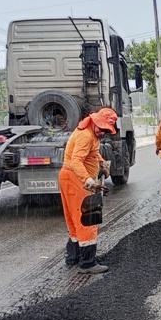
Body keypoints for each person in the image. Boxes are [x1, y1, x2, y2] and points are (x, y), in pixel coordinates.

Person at [59, 107, 118, 274]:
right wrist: (88, 180)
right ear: (95, 122)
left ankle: (74, 256)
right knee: (87, 218)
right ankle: (87, 263)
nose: (102, 133)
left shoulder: (88, 132)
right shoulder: (86, 136)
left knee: (74, 219)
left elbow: (91, 152)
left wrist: (101, 162)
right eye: (101, 128)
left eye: (106, 130)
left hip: (69, 177)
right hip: (75, 179)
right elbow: (76, 161)